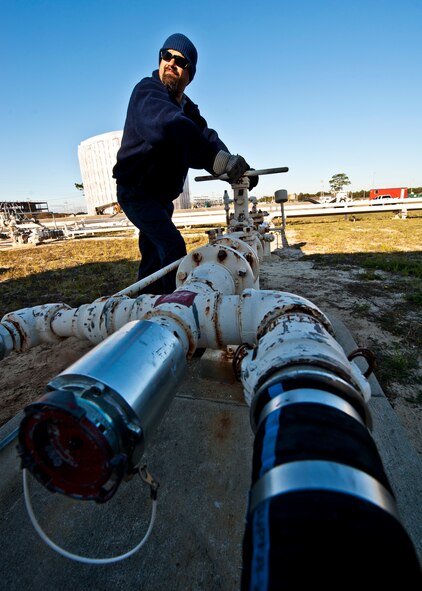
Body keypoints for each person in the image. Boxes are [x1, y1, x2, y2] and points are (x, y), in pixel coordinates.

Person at [113, 33, 258, 294]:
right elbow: (170, 129)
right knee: (172, 248)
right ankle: (173, 312)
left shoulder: (187, 108)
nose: (171, 63)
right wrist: (217, 161)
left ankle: (140, 304)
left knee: (154, 260)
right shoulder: (147, 92)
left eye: (180, 61)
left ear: (189, 74)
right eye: (166, 56)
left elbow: (205, 136)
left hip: (160, 198)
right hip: (136, 191)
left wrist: (235, 166)